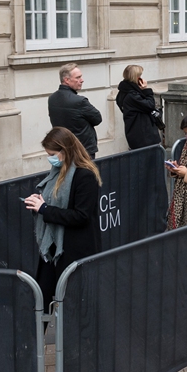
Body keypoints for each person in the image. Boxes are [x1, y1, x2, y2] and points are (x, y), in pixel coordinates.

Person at [25, 127, 100, 309]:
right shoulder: (57, 172)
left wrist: (44, 209)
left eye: (52, 154)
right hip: (53, 248)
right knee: (41, 299)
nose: (50, 158)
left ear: (65, 150)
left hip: (74, 251)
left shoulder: (85, 176)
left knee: (73, 304)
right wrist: (39, 203)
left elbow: (81, 216)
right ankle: (36, 336)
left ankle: (70, 337)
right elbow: (53, 202)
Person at [49, 63, 102, 158]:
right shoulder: (80, 101)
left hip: (62, 148)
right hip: (82, 150)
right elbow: (97, 119)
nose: (82, 80)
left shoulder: (52, 98)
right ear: (66, 80)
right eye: (78, 77)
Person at [115, 64, 162, 150]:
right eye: (139, 76)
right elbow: (150, 105)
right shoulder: (132, 95)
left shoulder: (123, 92)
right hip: (144, 136)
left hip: (136, 134)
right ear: (135, 77)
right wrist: (146, 90)